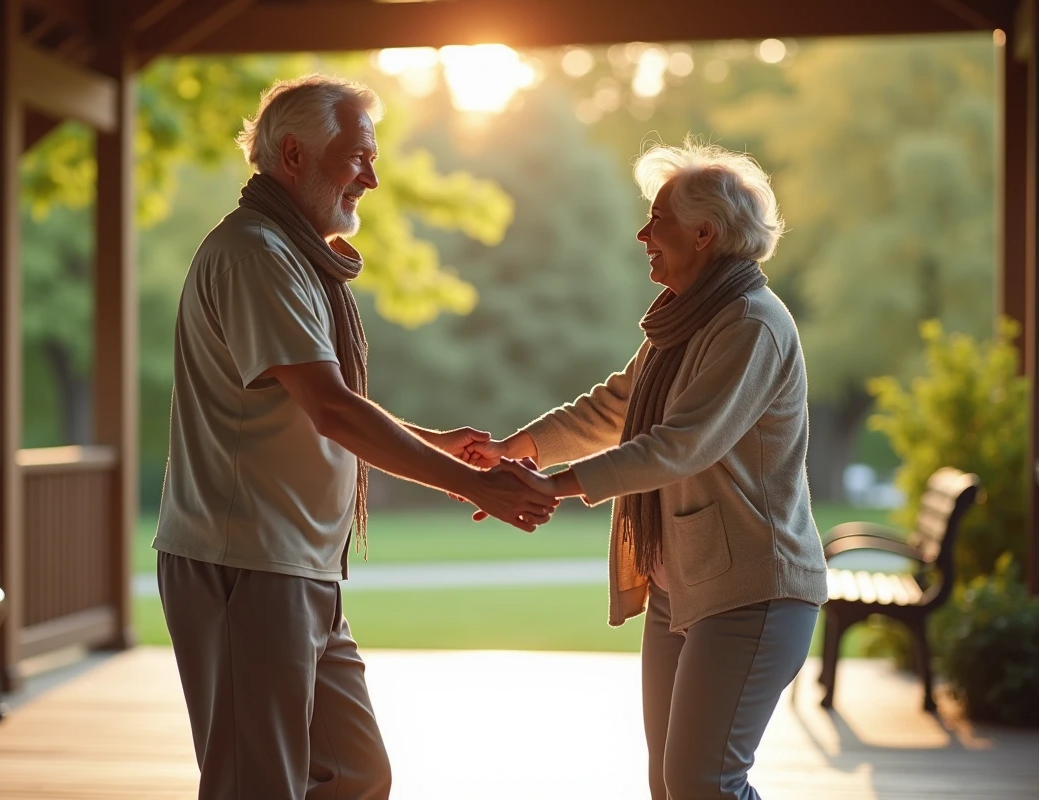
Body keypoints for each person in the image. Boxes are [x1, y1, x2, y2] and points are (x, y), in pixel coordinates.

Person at [152, 74, 558, 800]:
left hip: (301, 567)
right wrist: (472, 483)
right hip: (245, 562)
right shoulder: (257, 254)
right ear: (293, 155)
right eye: (356, 156)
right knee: (257, 785)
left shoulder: (295, 254)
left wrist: (432, 438)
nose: (371, 177)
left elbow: (317, 398)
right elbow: (332, 407)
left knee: (355, 774)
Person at [466, 140, 829, 800]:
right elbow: (615, 406)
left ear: (703, 233)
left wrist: (557, 486)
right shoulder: (684, 322)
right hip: (682, 587)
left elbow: (678, 445)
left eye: (656, 220)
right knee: (672, 787)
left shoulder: (750, 323)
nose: (642, 236)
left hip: (754, 591)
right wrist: (519, 449)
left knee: (704, 783)